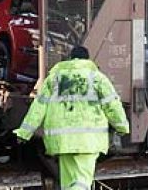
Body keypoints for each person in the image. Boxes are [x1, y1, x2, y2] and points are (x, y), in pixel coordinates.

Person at [14, 46, 129, 190]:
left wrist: (24, 133)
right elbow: (112, 105)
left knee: (68, 184)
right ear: (87, 59)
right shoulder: (97, 78)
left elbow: (38, 108)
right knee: (82, 183)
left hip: (62, 141)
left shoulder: (53, 79)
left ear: (69, 59)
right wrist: (122, 127)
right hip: (89, 141)